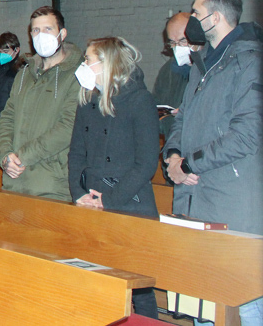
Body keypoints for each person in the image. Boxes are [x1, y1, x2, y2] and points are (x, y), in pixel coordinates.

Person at [162, 0, 263, 326]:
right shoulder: (203, 62)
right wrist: (173, 155)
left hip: (229, 199)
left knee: (242, 300)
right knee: (203, 303)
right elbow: (183, 118)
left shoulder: (251, 62)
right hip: (196, 198)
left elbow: (246, 135)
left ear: (216, 17)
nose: (191, 19)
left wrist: (190, 163)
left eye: (196, 12)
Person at [68, 37, 160, 318]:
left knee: (140, 289)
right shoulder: (88, 100)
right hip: (92, 200)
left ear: (106, 63)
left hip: (129, 203)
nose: (83, 64)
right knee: (95, 283)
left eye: (88, 59)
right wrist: (79, 193)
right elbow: (76, 153)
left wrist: (109, 200)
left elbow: (146, 163)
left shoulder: (140, 100)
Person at [0, 6, 82, 200]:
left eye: (48, 29)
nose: (41, 35)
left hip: (51, 185)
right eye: (36, 30)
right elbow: (7, 117)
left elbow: (68, 127)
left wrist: (23, 157)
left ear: (62, 34)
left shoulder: (77, 75)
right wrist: (4, 155)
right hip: (14, 181)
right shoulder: (24, 74)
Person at [152, 12, 198, 138]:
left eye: (183, 40)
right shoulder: (167, 71)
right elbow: (156, 106)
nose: (178, 47)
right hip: (173, 142)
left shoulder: (211, 69)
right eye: (172, 42)